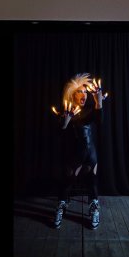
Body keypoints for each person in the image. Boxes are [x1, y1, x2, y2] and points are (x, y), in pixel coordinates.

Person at [52, 73, 106, 229]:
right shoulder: (68, 112)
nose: (83, 94)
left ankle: (94, 208)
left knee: (92, 183)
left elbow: (100, 120)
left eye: (85, 92)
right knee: (67, 183)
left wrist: (98, 100)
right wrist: (65, 121)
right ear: (72, 94)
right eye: (79, 91)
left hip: (91, 155)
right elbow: (59, 131)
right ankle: (61, 206)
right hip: (75, 156)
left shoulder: (91, 109)